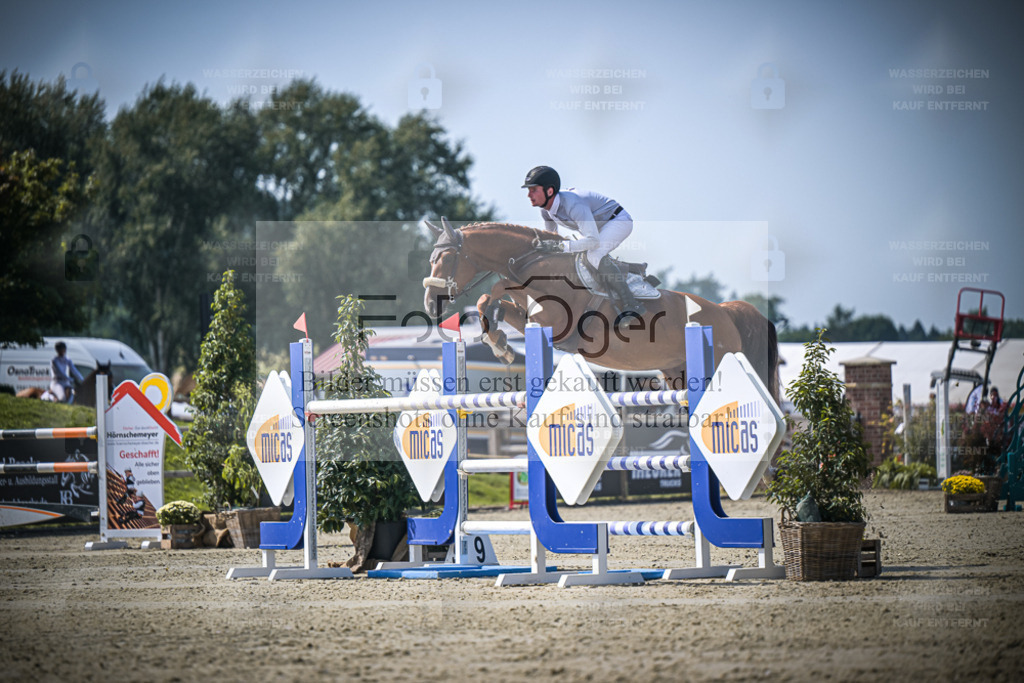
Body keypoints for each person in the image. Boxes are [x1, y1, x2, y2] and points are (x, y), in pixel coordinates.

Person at [522, 165, 644, 314]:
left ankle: (631, 303)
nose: (529, 195)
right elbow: (551, 238)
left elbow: (592, 241)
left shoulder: (573, 204)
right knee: (577, 257)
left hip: (618, 220)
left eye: (534, 190)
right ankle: (632, 268)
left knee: (594, 254)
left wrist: (560, 246)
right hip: (596, 227)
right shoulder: (545, 211)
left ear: (550, 191)